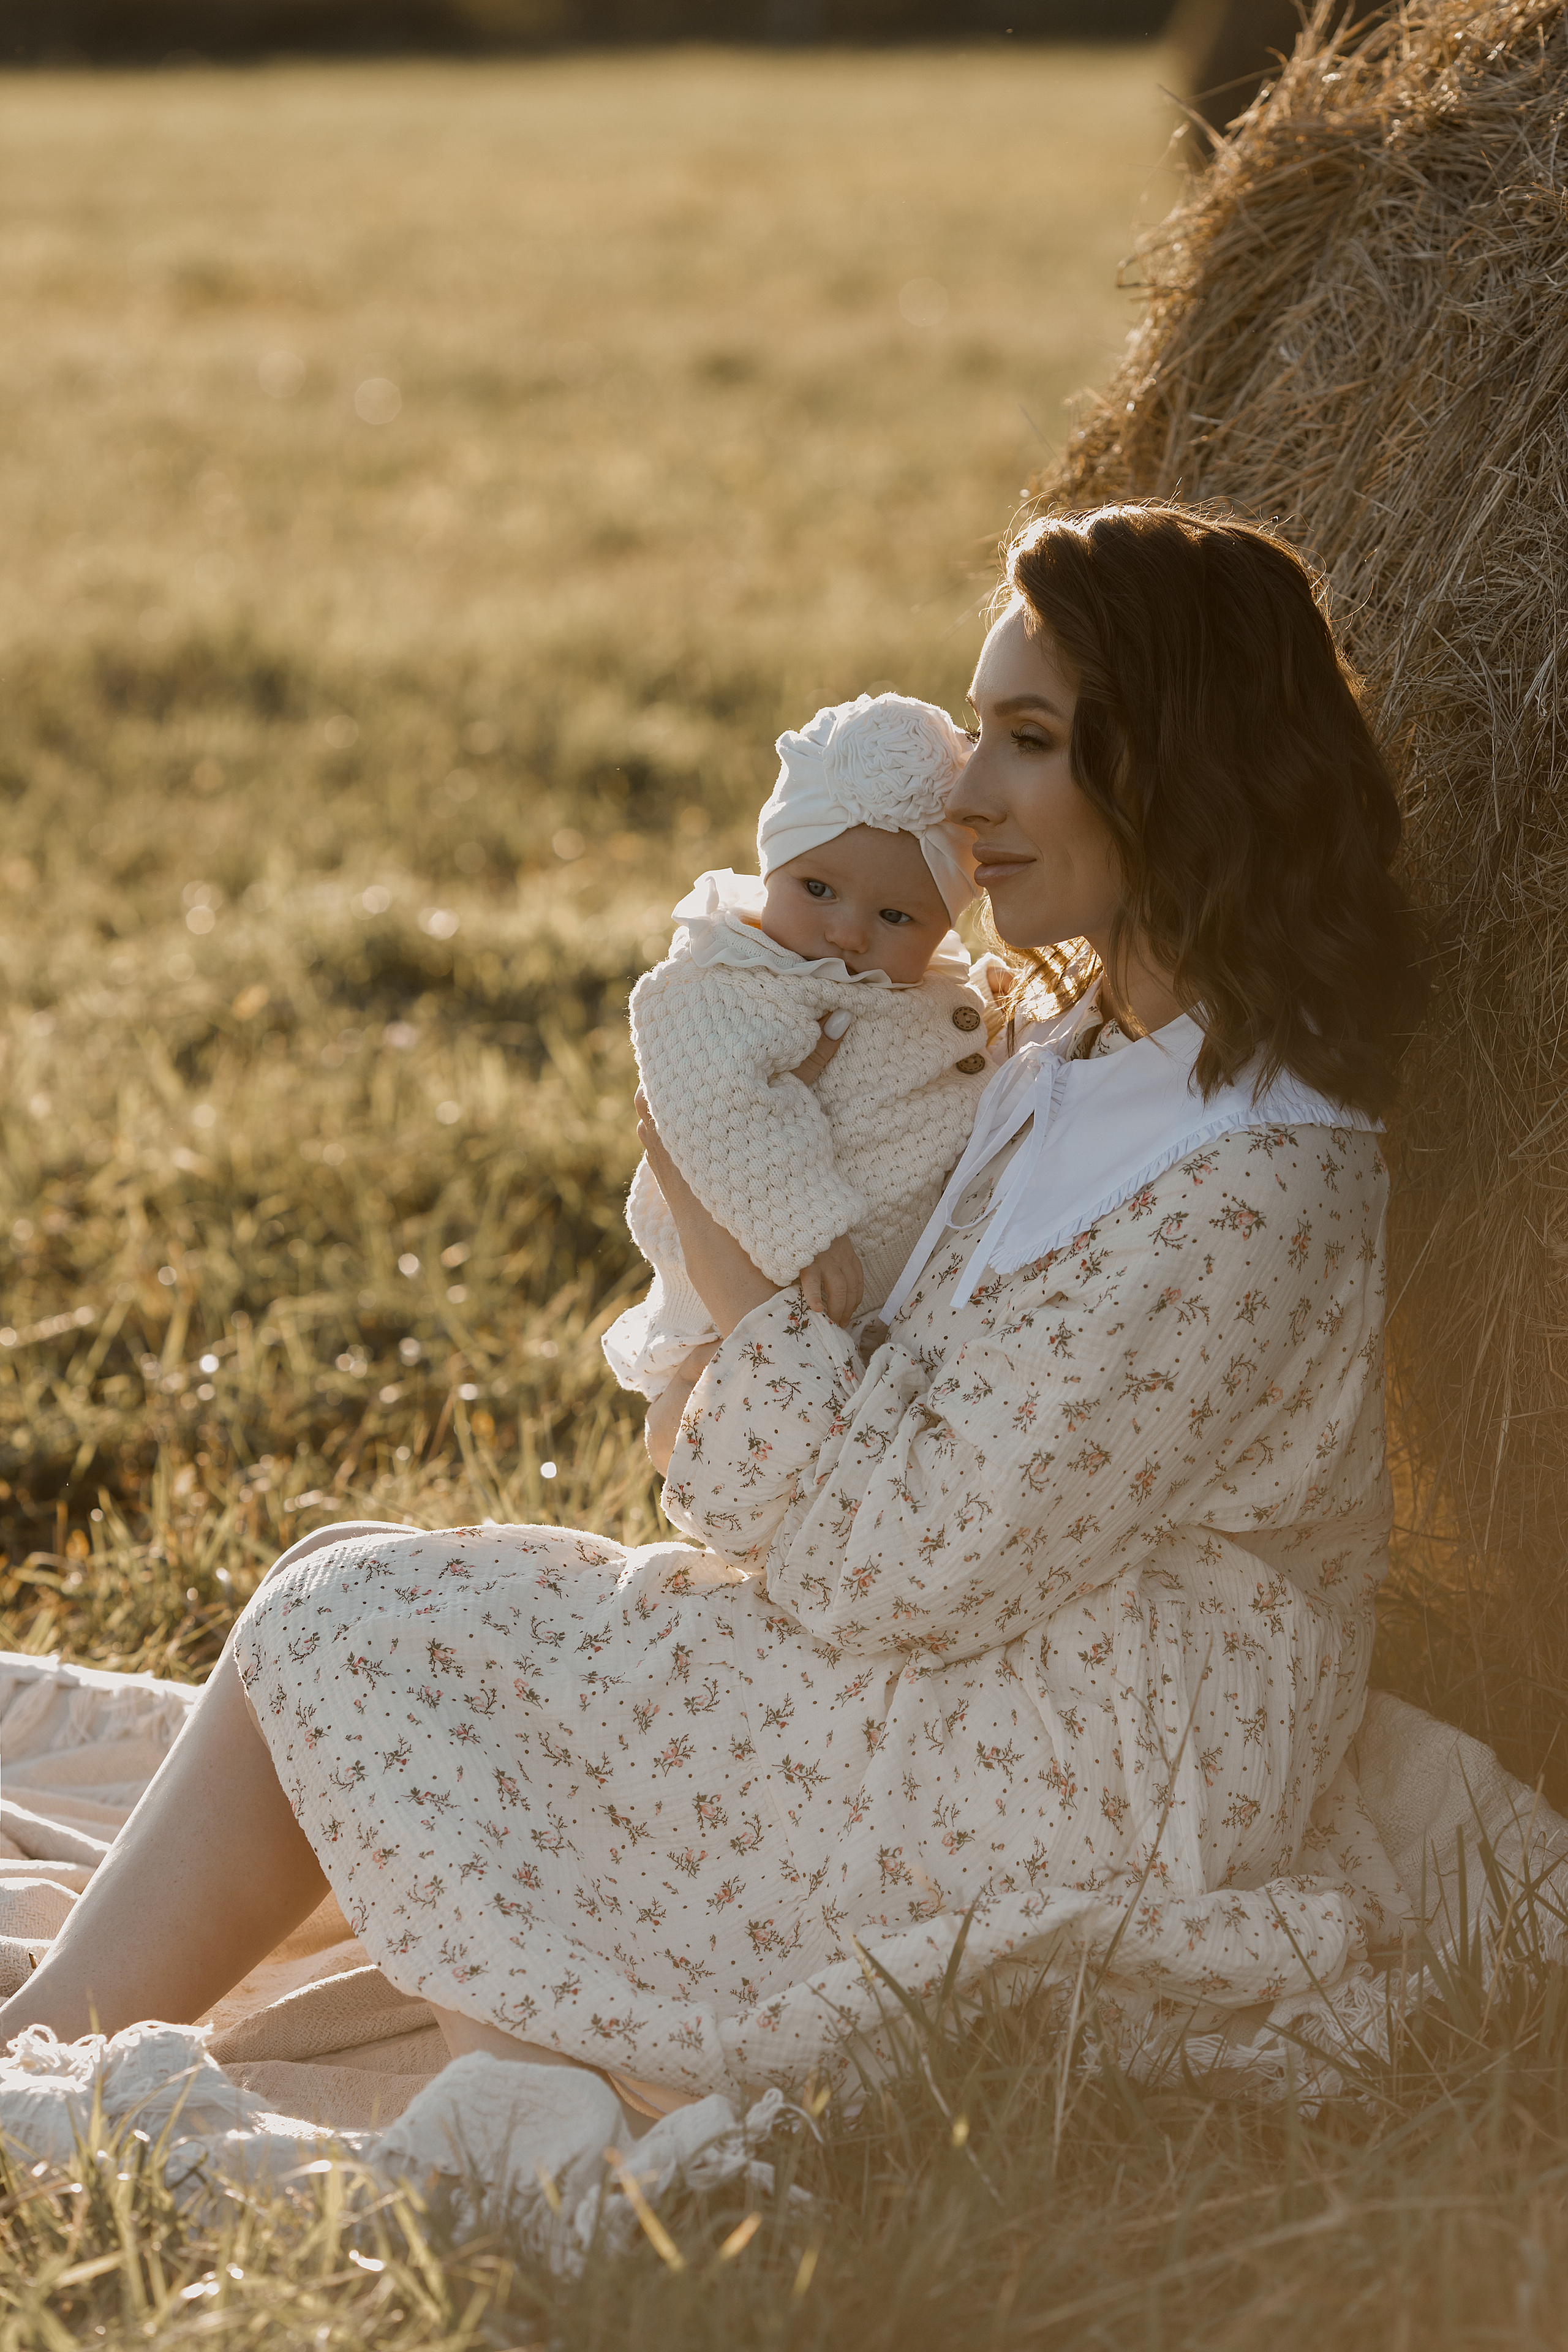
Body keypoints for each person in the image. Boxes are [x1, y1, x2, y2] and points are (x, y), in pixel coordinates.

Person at [0, 503, 1426, 2130]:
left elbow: (902, 1558)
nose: (964, 798)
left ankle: (85, 2046)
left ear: (1177, 766)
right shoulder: (1072, 1045)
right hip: (971, 1662)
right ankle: (55, 2025)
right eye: (977, 734)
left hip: (1071, 1770)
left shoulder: (1252, 1177)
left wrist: (724, 1239)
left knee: (355, 1625)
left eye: (1029, 741)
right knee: (342, 1582)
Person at [603, 688, 1002, 1412]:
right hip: (767, 1278)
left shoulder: (913, 983)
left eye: (895, 916)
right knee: (716, 1413)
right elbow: (724, 1111)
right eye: (817, 888)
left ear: (945, 922)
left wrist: (989, 1003)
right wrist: (810, 1235)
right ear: (771, 867)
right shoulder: (729, 981)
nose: (847, 933)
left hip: (875, 1309)